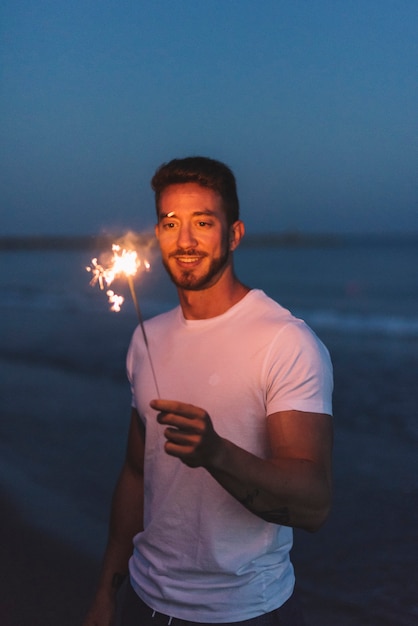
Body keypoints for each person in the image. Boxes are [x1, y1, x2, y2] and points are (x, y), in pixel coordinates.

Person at [83, 156, 333, 626]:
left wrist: (215, 453)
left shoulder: (285, 340)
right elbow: (137, 474)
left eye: (202, 222)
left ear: (234, 234)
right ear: (157, 235)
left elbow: (315, 503)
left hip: (246, 612)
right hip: (146, 600)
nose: (185, 240)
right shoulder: (145, 340)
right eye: (170, 222)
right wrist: (105, 593)